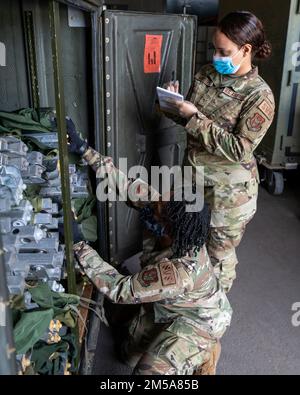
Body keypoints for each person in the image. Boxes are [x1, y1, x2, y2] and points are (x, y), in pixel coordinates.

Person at [67, 120, 232, 375]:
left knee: (145, 372)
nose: (154, 203)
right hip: (176, 301)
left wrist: (79, 244)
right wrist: (84, 149)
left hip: (198, 322)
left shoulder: (179, 272)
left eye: (159, 208)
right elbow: (124, 184)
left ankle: (203, 352)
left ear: (169, 229)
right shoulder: (168, 211)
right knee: (126, 350)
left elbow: (120, 289)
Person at [163, 11, 275, 293]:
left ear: (246, 50)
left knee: (217, 257)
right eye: (215, 48)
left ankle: (213, 315)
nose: (216, 56)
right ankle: (185, 305)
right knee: (185, 241)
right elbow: (188, 119)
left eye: (223, 51)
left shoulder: (259, 96)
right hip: (193, 179)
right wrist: (172, 102)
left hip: (228, 194)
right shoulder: (206, 75)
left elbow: (240, 149)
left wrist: (193, 118)